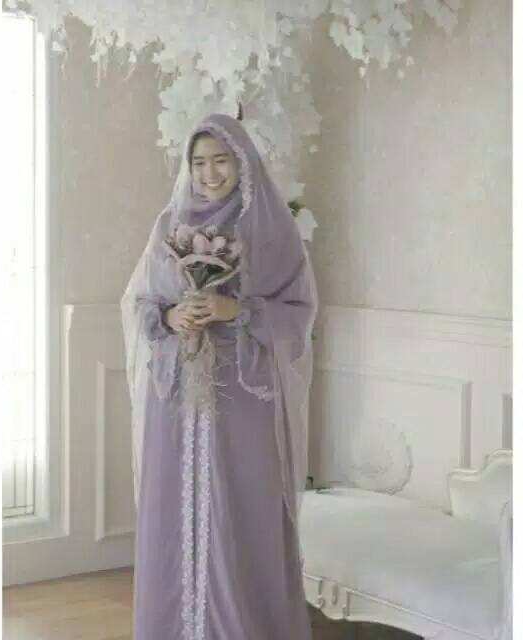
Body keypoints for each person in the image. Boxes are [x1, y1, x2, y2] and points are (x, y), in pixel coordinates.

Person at [121, 112, 317, 640]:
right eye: (199, 162)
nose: (210, 173)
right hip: (175, 398)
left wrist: (238, 311)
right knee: (173, 516)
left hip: (242, 400)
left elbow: (299, 314)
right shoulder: (169, 225)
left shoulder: (270, 230)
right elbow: (142, 303)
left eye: (221, 161)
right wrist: (171, 317)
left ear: (243, 162)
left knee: (241, 513)